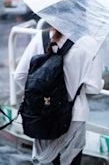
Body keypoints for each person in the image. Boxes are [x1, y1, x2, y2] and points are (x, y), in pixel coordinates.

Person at [14, 27, 104, 165]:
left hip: (42, 114)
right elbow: (94, 88)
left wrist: (39, 96)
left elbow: (20, 76)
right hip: (74, 115)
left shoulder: (41, 37)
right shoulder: (89, 43)